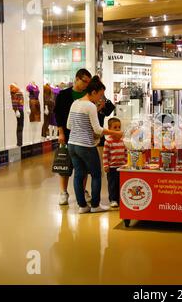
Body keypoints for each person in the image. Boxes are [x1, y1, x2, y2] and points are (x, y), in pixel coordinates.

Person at [67, 76, 123, 214]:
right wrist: (115, 133)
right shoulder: (90, 106)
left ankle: (82, 206)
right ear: (93, 92)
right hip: (85, 145)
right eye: (100, 94)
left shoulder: (75, 103)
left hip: (72, 145)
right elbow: (98, 129)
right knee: (96, 175)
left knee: (79, 175)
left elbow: (69, 125)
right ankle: (95, 205)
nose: (101, 98)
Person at [54, 69, 92, 205]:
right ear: (77, 79)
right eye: (84, 81)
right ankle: (63, 192)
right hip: (67, 134)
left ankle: (82, 190)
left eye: (88, 82)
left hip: (84, 135)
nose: (86, 84)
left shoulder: (89, 95)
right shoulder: (64, 95)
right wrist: (61, 132)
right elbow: (57, 114)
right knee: (65, 164)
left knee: (84, 166)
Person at [103, 117, 127, 208]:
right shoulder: (108, 141)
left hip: (122, 167)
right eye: (115, 127)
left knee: (121, 183)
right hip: (112, 167)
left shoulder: (122, 141)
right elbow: (105, 155)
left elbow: (125, 152)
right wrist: (106, 165)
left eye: (119, 127)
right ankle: (113, 199)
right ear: (110, 129)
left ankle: (120, 198)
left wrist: (126, 163)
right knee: (112, 184)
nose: (117, 129)